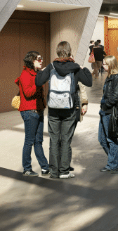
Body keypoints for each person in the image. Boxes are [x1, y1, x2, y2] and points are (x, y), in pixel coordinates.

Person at [35, 41, 92, 179]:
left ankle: (54, 172)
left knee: (54, 139)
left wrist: (40, 72)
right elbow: (89, 82)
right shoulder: (75, 68)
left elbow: (38, 82)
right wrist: (84, 69)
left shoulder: (51, 66)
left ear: (57, 52)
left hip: (54, 109)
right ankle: (64, 171)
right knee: (66, 140)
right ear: (69, 51)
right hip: (69, 108)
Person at [14, 50, 49, 177]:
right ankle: (27, 168)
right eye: (39, 59)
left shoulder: (36, 74)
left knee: (38, 141)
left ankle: (45, 167)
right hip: (29, 112)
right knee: (29, 141)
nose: (41, 61)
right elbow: (28, 93)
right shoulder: (25, 75)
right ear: (32, 61)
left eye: (41, 58)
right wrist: (39, 83)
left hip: (38, 111)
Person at [98, 55, 118, 172]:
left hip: (109, 112)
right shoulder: (109, 77)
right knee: (102, 139)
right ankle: (114, 161)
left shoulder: (116, 78)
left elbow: (115, 97)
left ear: (111, 65)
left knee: (111, 139)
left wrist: (106, 105)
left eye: (105, 64)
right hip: (103, 111)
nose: (103, 66)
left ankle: (113, 164)